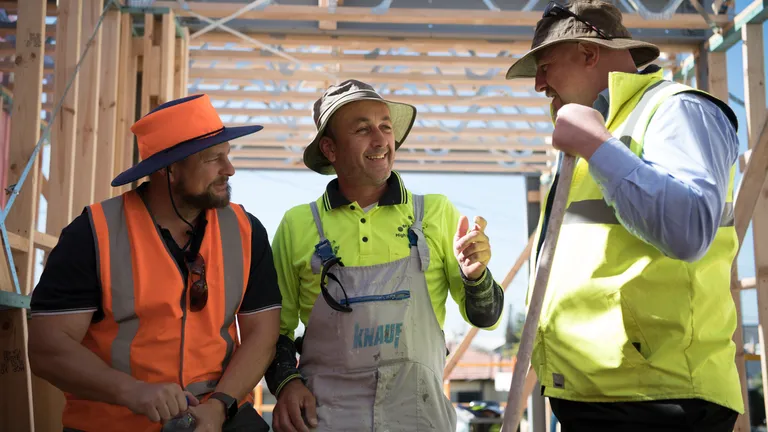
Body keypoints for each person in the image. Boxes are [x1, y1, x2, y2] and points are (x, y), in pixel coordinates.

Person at [505, 1, 743, 431]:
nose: (539, 83)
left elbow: (688, 230)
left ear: (589, 52)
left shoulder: (677, 110)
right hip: (594, 395)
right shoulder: (603, 131)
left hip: (661, 401)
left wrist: (598, 147)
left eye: (545, 65)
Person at [27, 94, 282, 432]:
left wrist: (220, 406)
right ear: (169, 169)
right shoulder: (93, 234)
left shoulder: (246, 231)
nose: (229, 169)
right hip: (116, 422)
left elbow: (262, 335)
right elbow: (48, 349)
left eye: (228, 156)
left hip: (218, 417)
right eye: (213, 159)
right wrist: (131, 392)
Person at [263, 79, 506, 432]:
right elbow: (273, 332)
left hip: (418, 418)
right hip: (326, 419)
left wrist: (476, 276)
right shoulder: (299, 225)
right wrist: (287, 384)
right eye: (362, 129)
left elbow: (486, 317)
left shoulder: (434, 214)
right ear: (329, 149)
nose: (380, 140)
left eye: (385, 127)